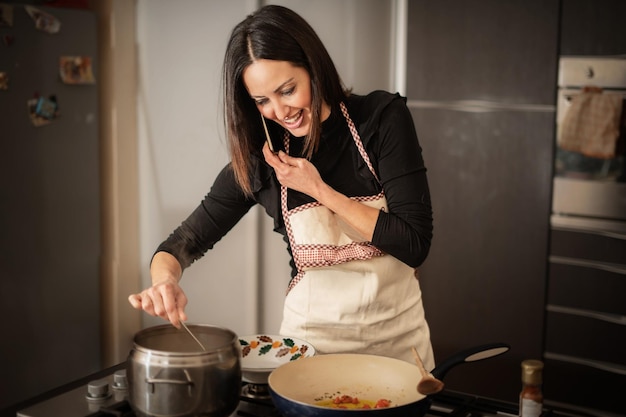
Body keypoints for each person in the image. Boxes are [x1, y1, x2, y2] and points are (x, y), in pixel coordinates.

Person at [128, 4, 435, 369]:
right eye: (262, 101)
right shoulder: (265, 160)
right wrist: (164, 281)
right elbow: (182, 243)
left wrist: (320, 190)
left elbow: (414, 243)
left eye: (287, 90)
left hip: (397, 352)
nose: (280, 111)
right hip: (309, 355)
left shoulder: (381, 120)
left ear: (313, 68)